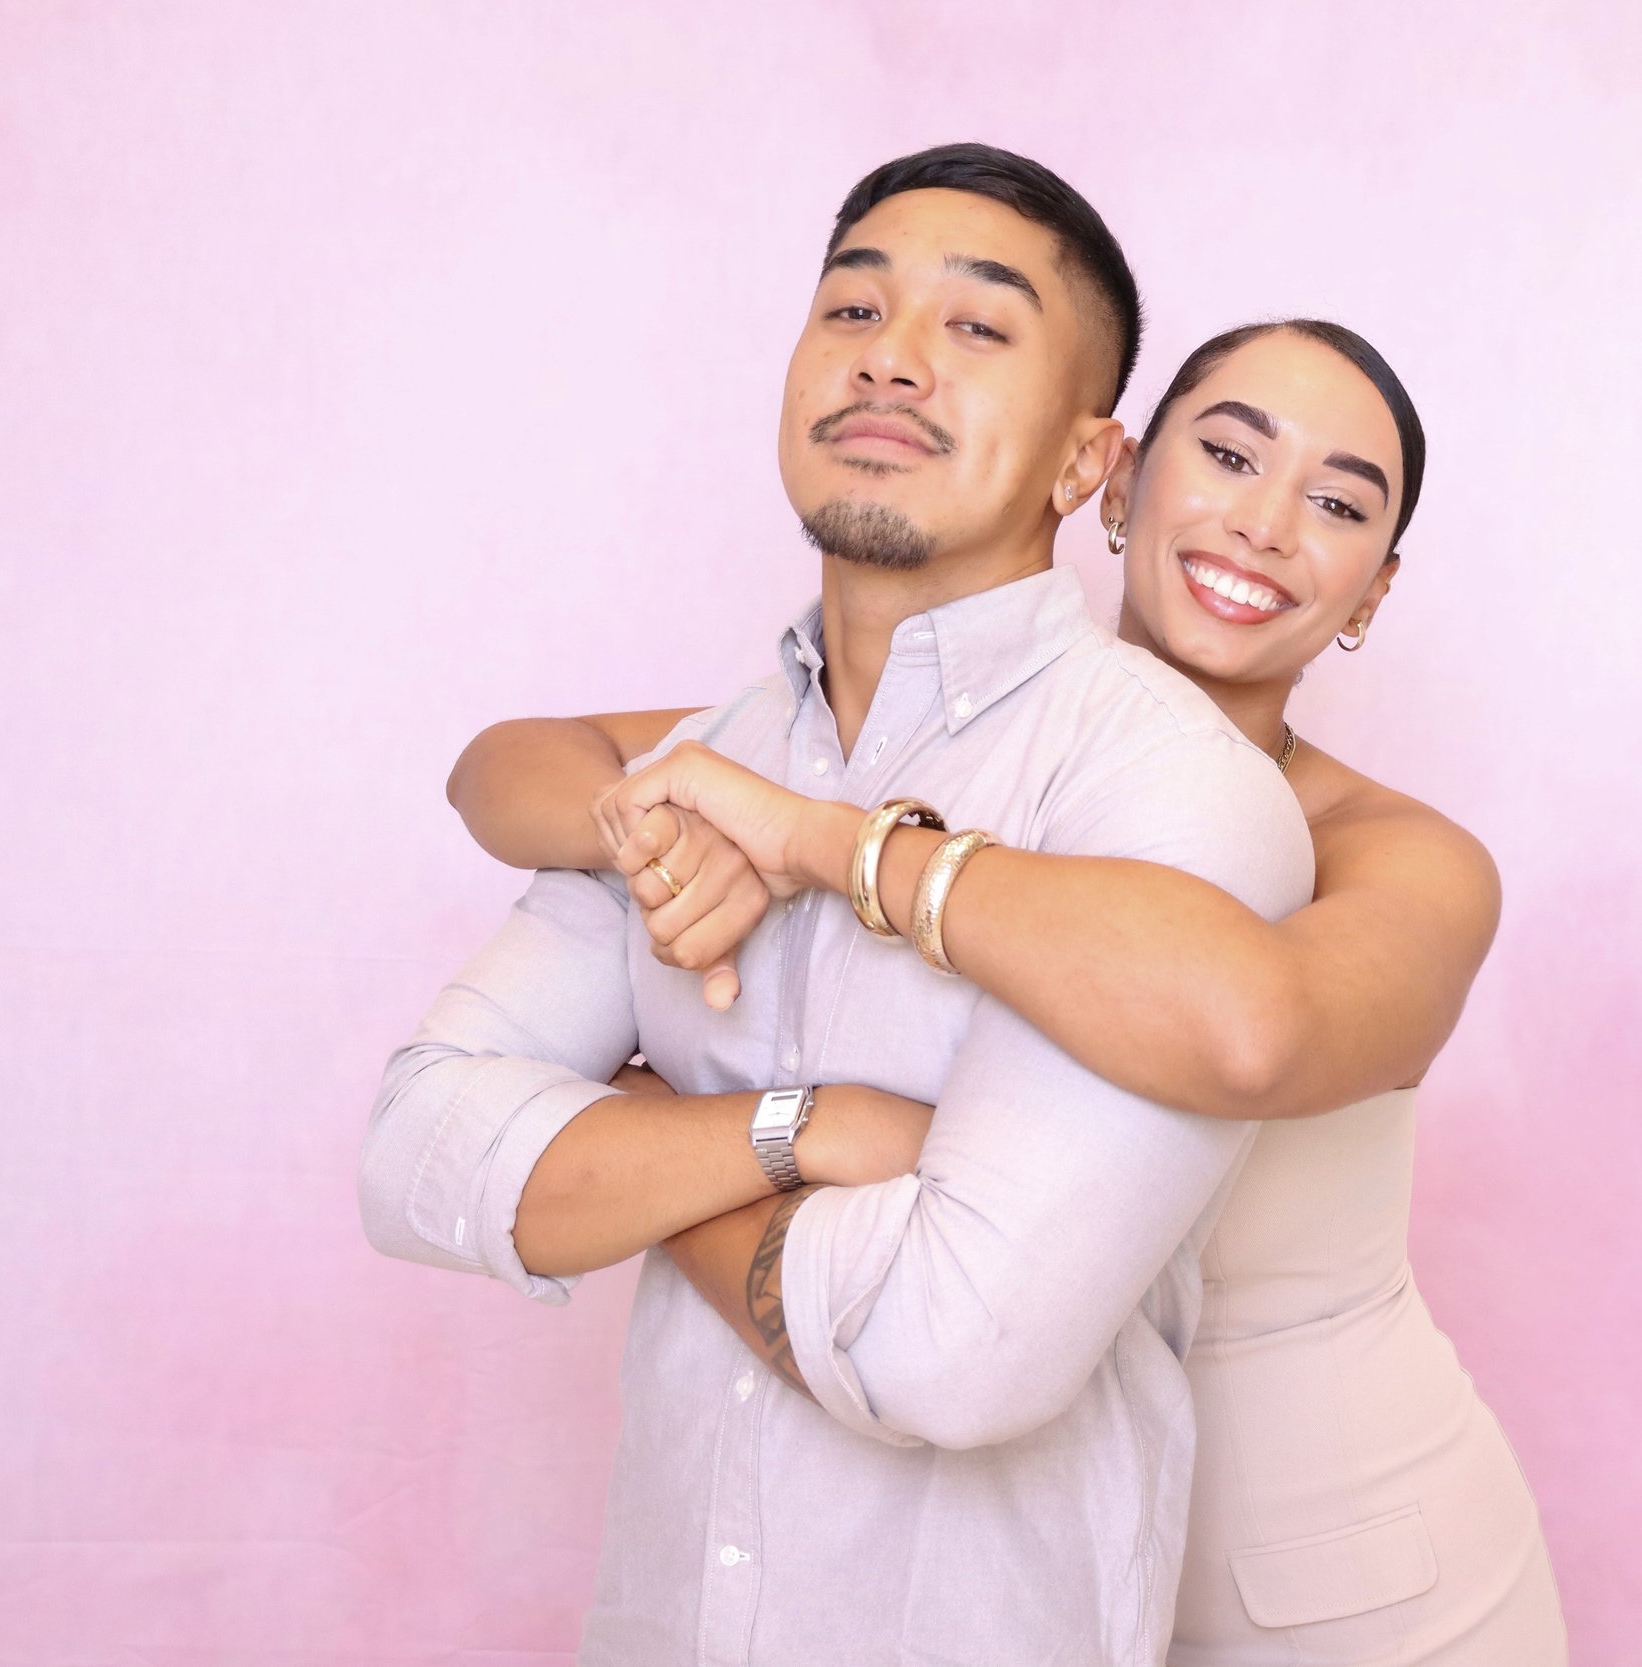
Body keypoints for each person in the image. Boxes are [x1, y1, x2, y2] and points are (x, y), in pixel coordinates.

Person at [450, 319, 1569, 1660]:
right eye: (1227, 455)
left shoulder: (1405, 857)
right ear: (1117, 480)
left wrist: (807, 872)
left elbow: (1256, 1032)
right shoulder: (919, 745)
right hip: (1012, 1566)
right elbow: (510, 767)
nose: (1267, 524)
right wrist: (673, 829)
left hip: (1330, 1581)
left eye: (1335, 504)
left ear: (1373, 592)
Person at [357, 143, 1318, 1664]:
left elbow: (956, 1354)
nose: (892, 356)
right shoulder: (697, 768)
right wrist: (791, 1129)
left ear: (1089, 467)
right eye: (852, 308)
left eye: (978, 327)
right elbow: (414, 1154)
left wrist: (632, 1120)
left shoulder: (1161, 791)